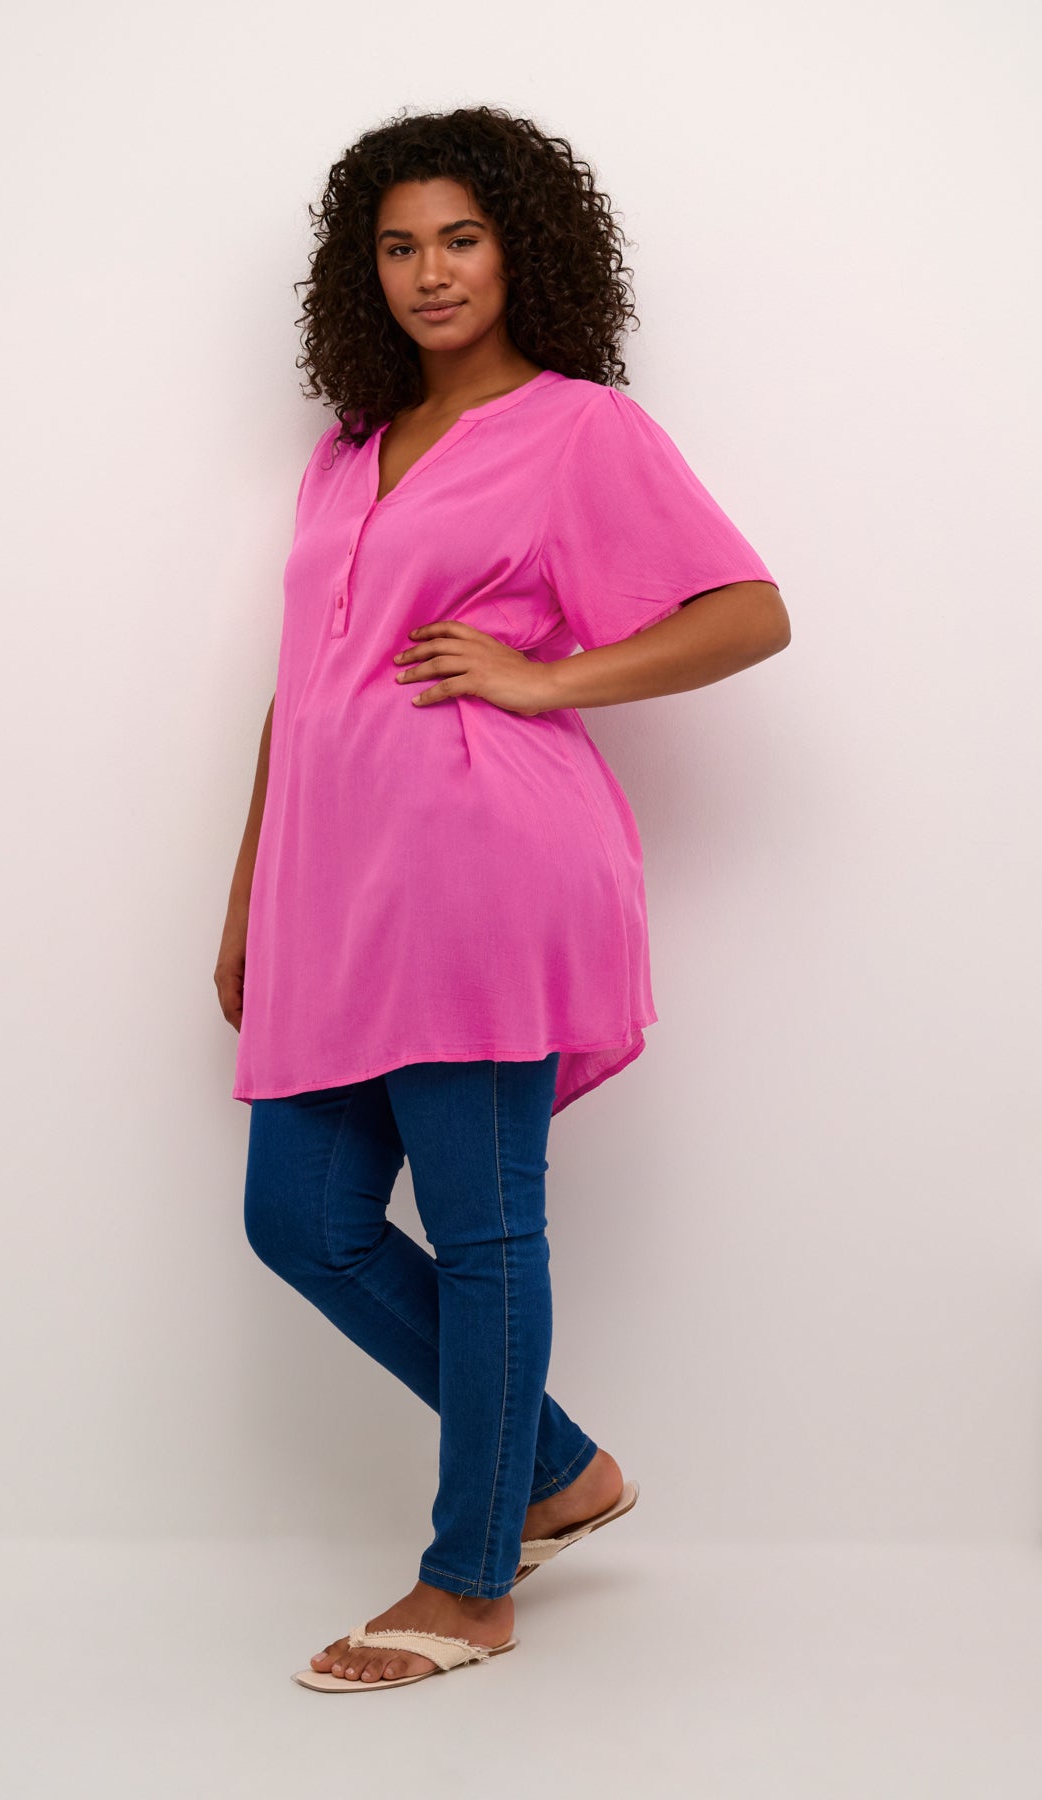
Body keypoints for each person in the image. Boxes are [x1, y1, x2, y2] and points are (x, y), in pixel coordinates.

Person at [214, 105, 790, 1692]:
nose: (430, 272)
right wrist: (251, 892)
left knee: (483, 1232)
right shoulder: (346, 450)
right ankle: (557, 1470)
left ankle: (469, 1583)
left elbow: (749, 612)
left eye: (460, 238)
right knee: (299, 1221)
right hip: (337, 890)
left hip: (486, 870)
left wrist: (548, 676)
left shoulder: (581, 428)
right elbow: (303, 685)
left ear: (520, 249)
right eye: (399, 245)